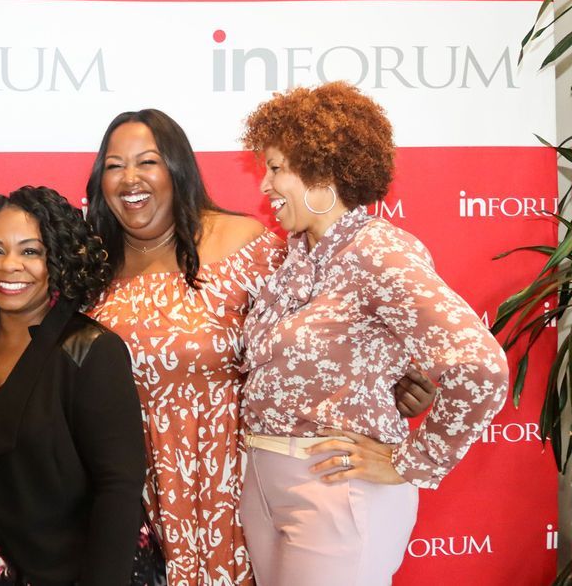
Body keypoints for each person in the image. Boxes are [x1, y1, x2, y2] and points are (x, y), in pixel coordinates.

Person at [85, 109, 437, 586]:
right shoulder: (91, 268)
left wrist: (384, 385)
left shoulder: (247, 246)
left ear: (177, 168)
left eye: (147, 161)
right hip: (129, 487)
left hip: (236, 481)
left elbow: (319, 330)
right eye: (113, 165)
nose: (130, 177)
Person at [238, 82, 509, 586]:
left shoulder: (378, 250)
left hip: (335, 491)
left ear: (322, 172)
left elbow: (480, 366)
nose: (265, 187)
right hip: (264, 484)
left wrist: (414, 461)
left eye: (276, 169)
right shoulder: (297, 257)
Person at [0, 186, 165, 585]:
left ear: (57, 259)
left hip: (72, 573)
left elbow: (119, 488)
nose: (9, 266)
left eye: (30, 251)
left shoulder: (90, 350)